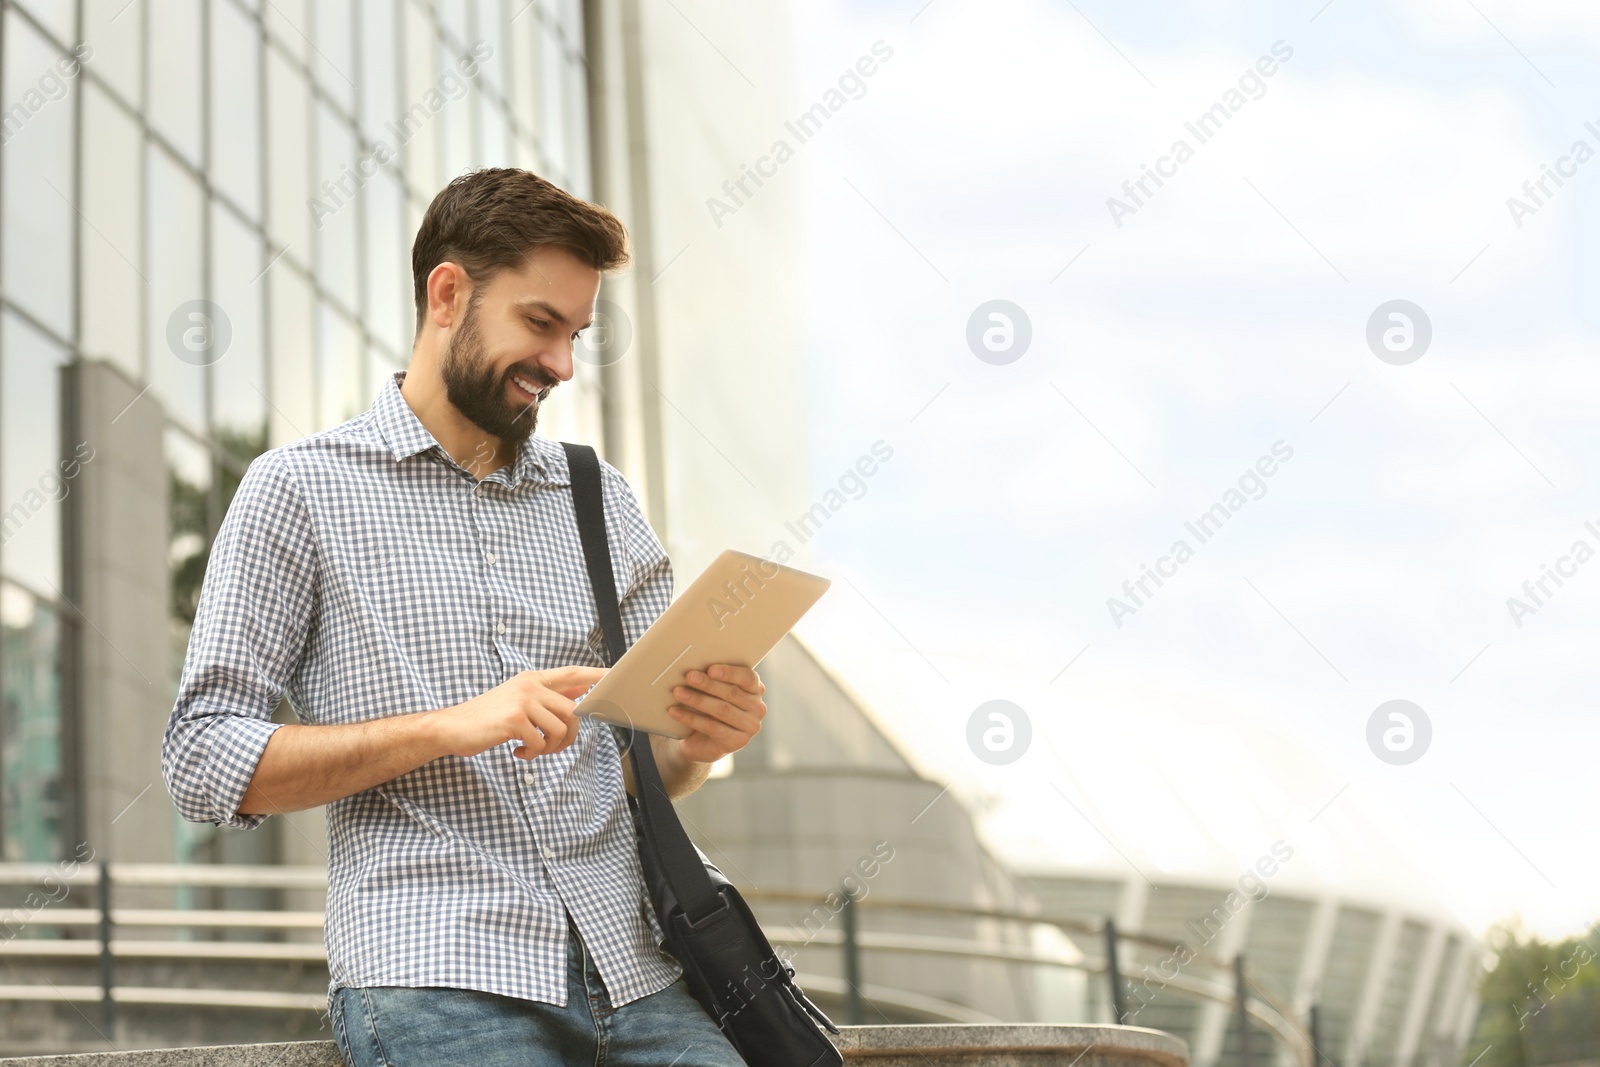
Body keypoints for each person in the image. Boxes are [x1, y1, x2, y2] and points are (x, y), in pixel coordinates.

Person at [161, 167, 762, 1066]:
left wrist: (702, 741)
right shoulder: (299, 492)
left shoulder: (601, 501)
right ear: (448, 294)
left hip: (641, 973)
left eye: (576, 335)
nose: (562, 364)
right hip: (439, 976)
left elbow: (641, 770)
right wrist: (451, 726)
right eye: (539, 323)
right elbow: (204, 762)